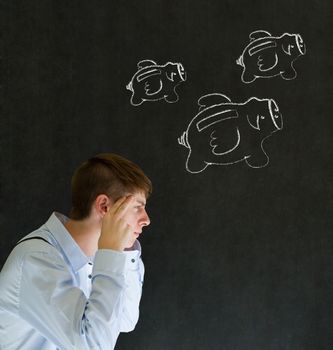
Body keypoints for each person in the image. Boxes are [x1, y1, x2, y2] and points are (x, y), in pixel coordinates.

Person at [0, 153, 152, 349]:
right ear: (104, 206)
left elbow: (125, 320)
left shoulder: (89, 257)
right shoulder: (37, 259)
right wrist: (111, 253)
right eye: (137, 207)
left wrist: (123, 250)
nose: (146, 219)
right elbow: (93, 345)